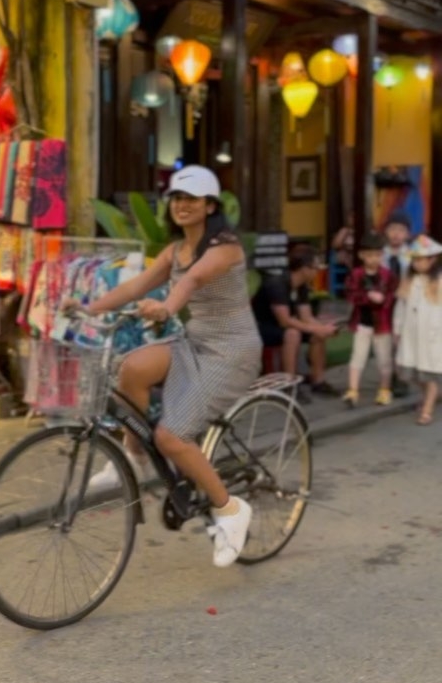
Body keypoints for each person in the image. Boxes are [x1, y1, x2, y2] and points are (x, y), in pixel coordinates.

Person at [67, 165, 262, 568]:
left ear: (210, 206)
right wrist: (89, 308)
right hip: (197, 340)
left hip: (232, 349)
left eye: (191, 199)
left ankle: (229, 510)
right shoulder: (175, 250)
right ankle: (134, 459)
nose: (182, 206)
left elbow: (190, 283)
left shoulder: (225, 249)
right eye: (176, 198)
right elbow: (134, 286)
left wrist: (166, 308)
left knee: (172, 438)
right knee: (133, 368)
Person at [252, 247, 339, 395]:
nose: (317, 271)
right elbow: (284, 321)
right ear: (304, 268)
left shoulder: (301, 286)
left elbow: (306, 317)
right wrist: (316, 328)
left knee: (317, 334)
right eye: (315, 267)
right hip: (261, 326)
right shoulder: (277, 284)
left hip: (283, 325)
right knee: (293, 334)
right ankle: (289, 384)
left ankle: (318, 381)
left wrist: (323, 328)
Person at [342, 232, 397, 408]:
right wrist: (367, 296)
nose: (374, 259)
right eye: (370, 255)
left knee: (384, 359)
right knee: (357, 356)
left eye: (378, 255)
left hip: (383, 324)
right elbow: (350, 295)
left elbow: (392, 297)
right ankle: (352, 390)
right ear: (362, 255)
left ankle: (384, 390)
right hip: (362, 322)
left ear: (382, 255)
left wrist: (383, 300)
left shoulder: (388, 275)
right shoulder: (356, 274)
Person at [393, 235, 442, 425]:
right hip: (411, 333)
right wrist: (397, 328)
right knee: (414, 372)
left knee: (429, 372)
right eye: (414, 259)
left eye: (421, 259)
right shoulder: (409, 280)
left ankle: (427, 409)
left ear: (432, 259)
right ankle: (429, 396)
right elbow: (401, 306)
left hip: (433, 334)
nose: (417, 263)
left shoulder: (439, 281)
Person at [382, 210, 413, 397]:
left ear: (407, 234)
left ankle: (402, 378)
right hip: (384, 303)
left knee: (403, 341)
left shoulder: (411, 255)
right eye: (392, 229)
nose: (396, 234)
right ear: (386, 231)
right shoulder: (379, 254)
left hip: (404, 302)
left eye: (401, 230)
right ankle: (389, 375)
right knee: (387, 341)